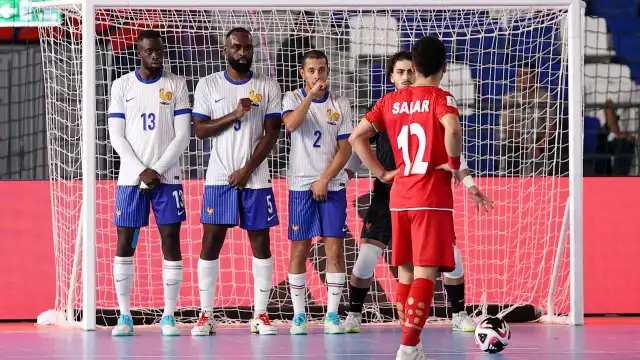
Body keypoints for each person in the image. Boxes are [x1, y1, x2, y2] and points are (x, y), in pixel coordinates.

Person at [343, 51, 487, 334]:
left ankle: (453, 315)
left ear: (418, 72)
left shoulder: (396, 106)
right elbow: (358, 147)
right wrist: (363, 175)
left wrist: (469, 183)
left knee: (436, 262)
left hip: (406, 195)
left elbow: (449, 148)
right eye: (400, 72)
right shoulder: (395, 106)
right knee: (377, 259)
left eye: (410, 71)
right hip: (395, 196)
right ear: (390, 77)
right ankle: (360, 316)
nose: (406, 77)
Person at [190, 27, 282, 336]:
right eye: (236, 47)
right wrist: (234, 114)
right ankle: (206, 315)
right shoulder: (209, 84)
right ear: (225, 50)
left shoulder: (268, 85)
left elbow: (272, 134)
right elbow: (200, 130)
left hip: (255, 178)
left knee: (261, 244)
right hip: (218, 178)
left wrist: (247, 169)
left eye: (247, 47)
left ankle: (260, 315)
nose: (242, 52)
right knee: (210, 244)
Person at [107, 29, 191, 336]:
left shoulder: (177, 84)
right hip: (131, 179)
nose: (156, 56)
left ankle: (168, 316)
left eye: (159, 50)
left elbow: (183, 134)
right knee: (125, 242)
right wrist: (142, 170)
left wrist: (156, 169)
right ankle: (125, 316)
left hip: (167, 178)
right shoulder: (122, 85)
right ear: (139, 52)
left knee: (170, 240)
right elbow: (116, 135)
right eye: (149, 51)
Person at [282, 50, 353, 335]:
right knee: (300, 247)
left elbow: (345, 148)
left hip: (331, 185)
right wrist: (310, 96)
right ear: (303, 72)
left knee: (334, 248)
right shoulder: (292, 99)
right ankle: (300, 314)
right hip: (300, 185)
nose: (317, 75)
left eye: (321, 70)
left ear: (328, 70)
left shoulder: (341, 103)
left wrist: (325, 178)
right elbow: (289, 125)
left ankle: (332, 314)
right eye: (311, 70)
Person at [499, 61, 557, 176]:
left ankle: (548, 183)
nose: (522, 79)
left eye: (526, 75)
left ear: (535, 79)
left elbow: (551, 127)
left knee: (553, 146)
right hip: (517, 140)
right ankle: (511, 182)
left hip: (540, 140)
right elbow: (508, 129)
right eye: (519, 76)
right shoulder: (509, 98)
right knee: (509, 148)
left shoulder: (546, 97)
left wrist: (541, 142)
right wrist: (528, 145)